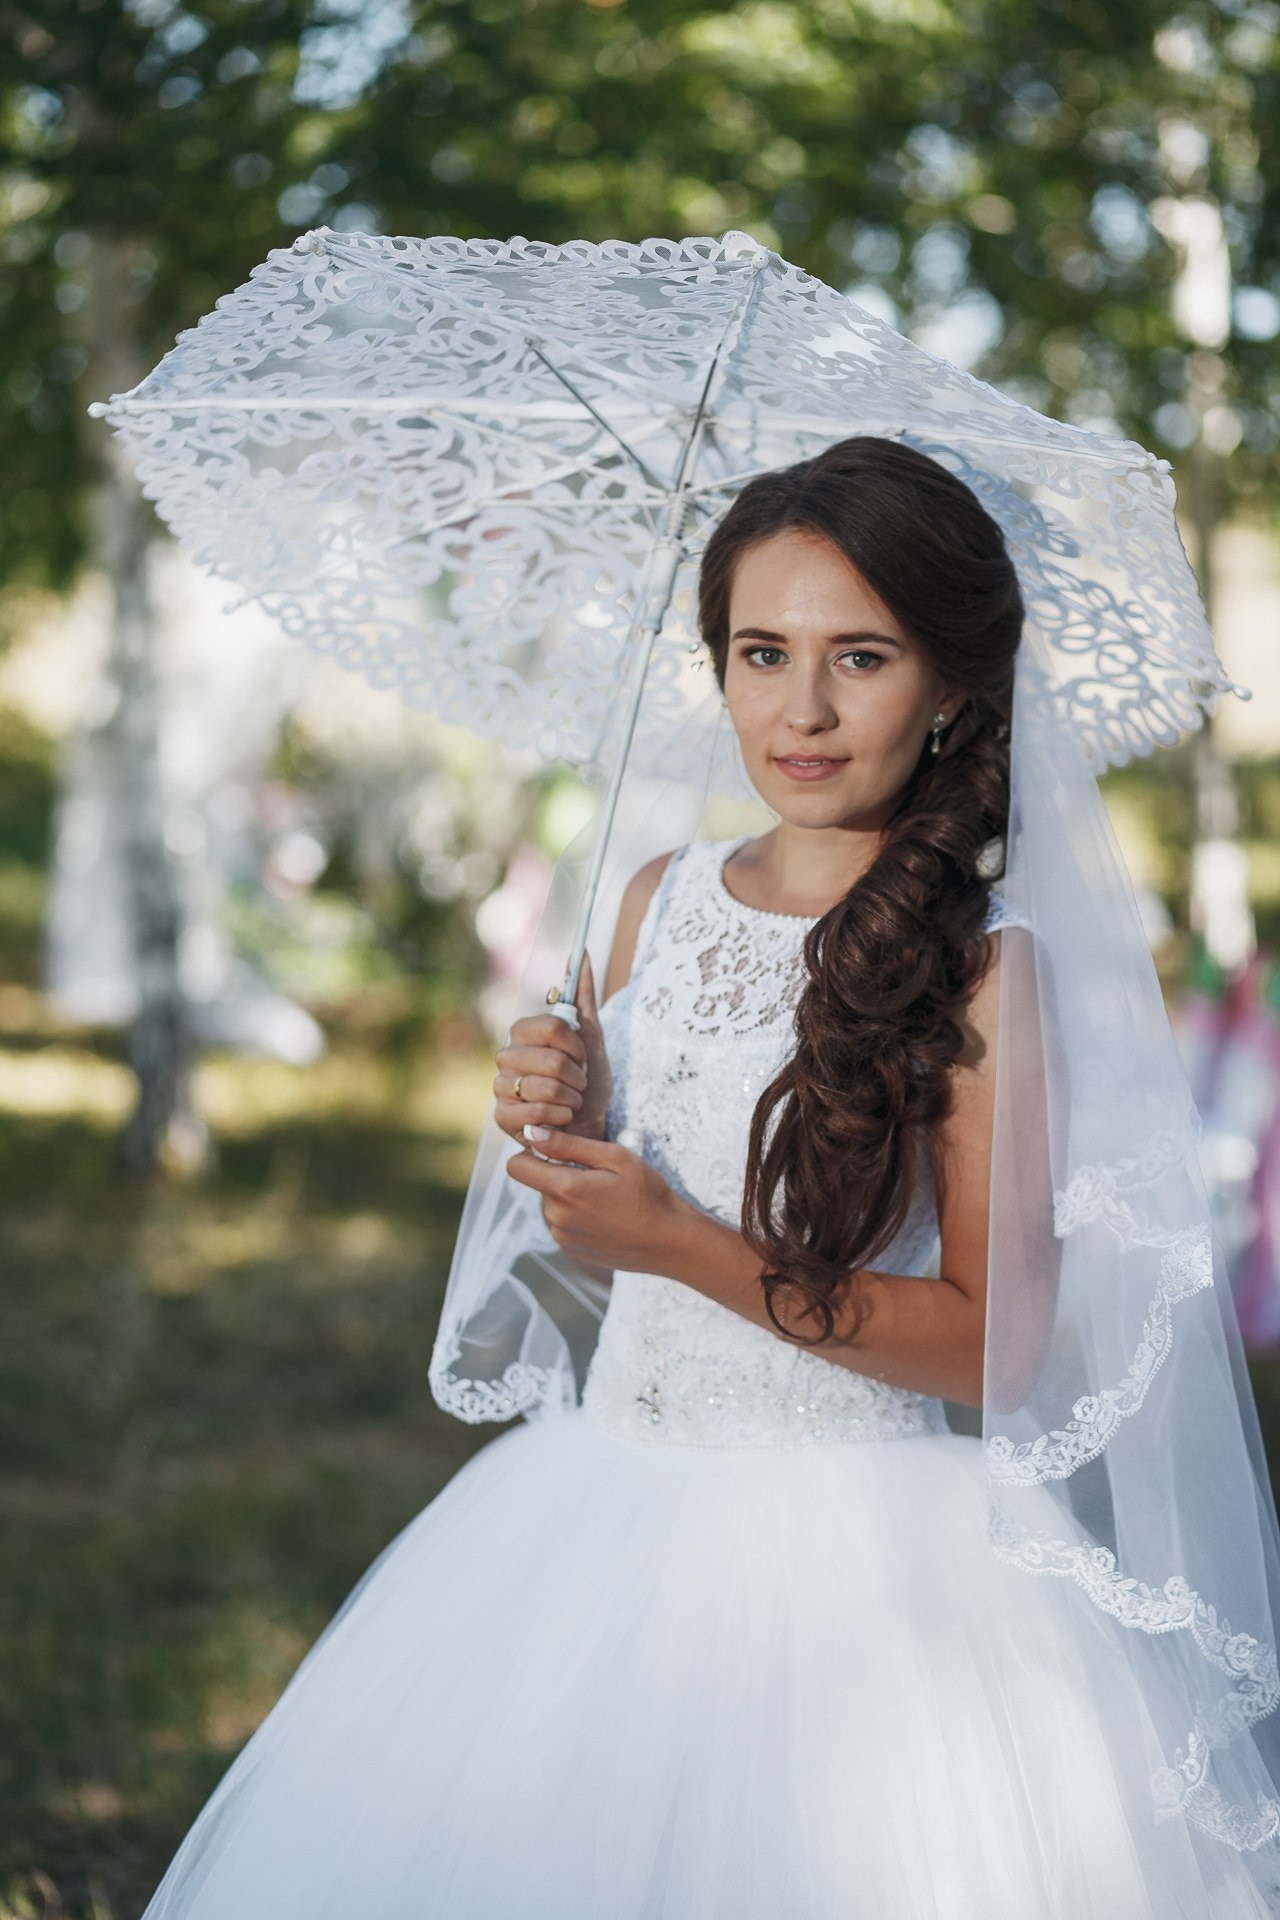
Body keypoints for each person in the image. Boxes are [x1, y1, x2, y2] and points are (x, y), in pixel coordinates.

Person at [139, 438, 1280, 1918]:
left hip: (866, 1554)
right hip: (596, 1508)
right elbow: (594, 1243)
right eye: (761, 652)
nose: (799, 709)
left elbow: (995, 1345)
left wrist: (675, 1237)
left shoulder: (992, 976)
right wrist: (563, 1126)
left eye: (859, 658)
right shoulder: (650, 901)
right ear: (718, 662)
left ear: (947, 687)